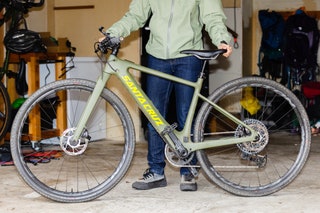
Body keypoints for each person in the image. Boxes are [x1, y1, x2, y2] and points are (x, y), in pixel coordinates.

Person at [102, 0, 232, 191]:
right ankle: (155, 171)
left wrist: (221, 38)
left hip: (189, 56)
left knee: (186, 114)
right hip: (157, 56)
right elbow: (136, 15)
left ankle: (188, 170)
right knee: (153, 114)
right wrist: (114, 32)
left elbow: (212, 16)